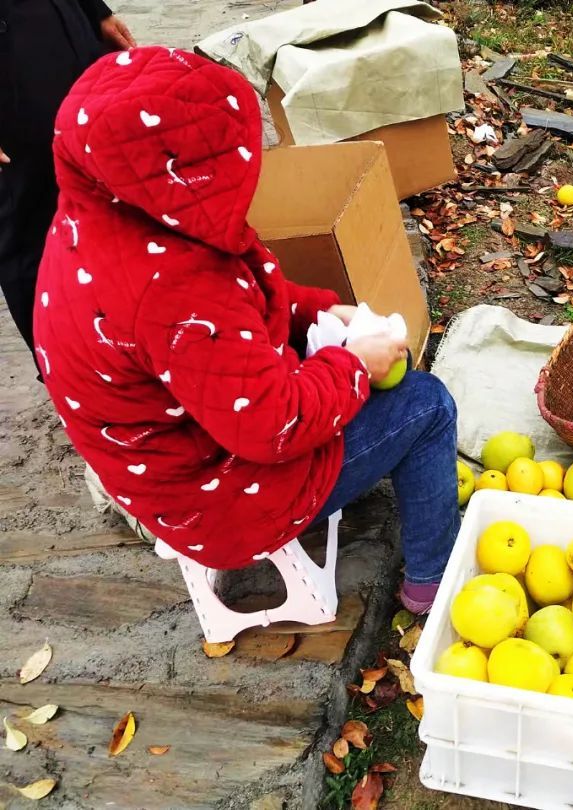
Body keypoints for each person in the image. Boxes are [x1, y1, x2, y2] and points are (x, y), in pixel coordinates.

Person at [33, 46, 458, 614]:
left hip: (165, 462)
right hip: (217, 498)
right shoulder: (178, 287)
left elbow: (243, 296)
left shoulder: (107, 216)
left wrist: (319, 313)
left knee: (361, 382)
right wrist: (354, 366)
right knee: (426, 406)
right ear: (191, 174)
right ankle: (434, 581)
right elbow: (270, 424)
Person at [0, 0, 134, 355]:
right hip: (12, 91)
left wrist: (93, 11)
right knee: (31, 230)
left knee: (110, 202)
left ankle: (123, 357)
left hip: (66, 38)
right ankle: (63, 370)